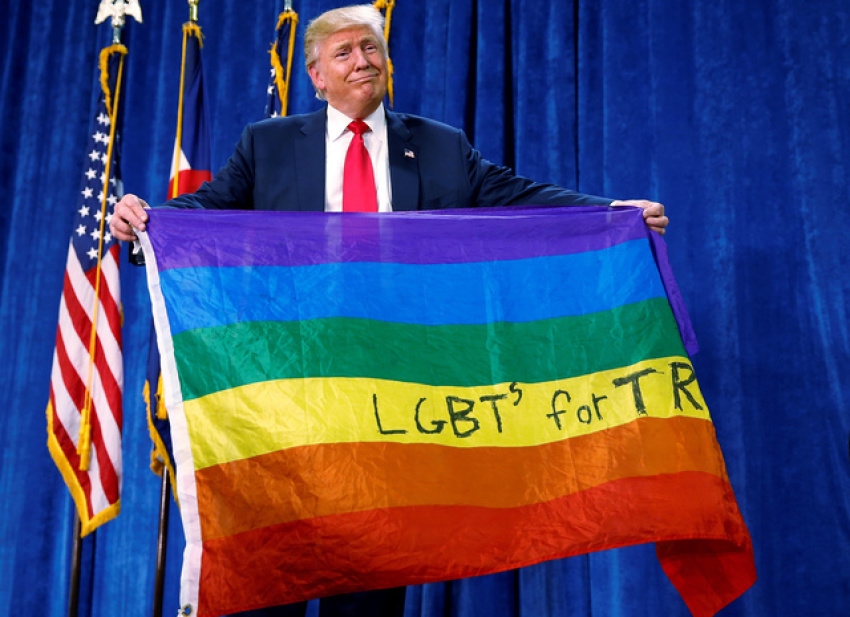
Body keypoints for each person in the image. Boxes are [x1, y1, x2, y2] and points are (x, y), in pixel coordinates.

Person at [110, 5, 668, 616]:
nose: (362, 62)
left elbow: (519, 195)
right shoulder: (266, 146)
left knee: (371, 584)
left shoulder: (438, 146)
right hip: (291, 392)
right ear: (316, 75)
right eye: (344, 52)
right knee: (276, 577)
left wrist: (612, 212)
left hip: (392, 393)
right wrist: (147, 223)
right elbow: (210, 210)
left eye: (370, 49)